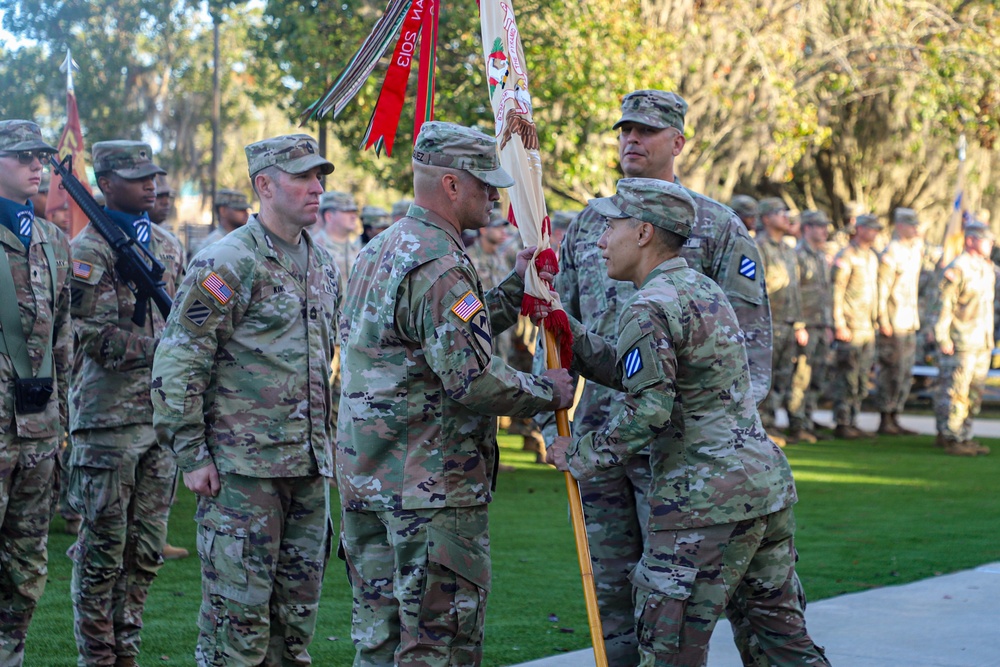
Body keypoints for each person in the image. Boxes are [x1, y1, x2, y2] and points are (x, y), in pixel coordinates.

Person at [545, 178, 829, 667]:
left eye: (611, 226)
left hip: (702, 501)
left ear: (643, 233)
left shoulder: (648, 305)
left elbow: (648, 411)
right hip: (761, 489)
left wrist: (581, 454)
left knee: (668, 648)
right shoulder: (701, 290)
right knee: (781, 645)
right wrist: (566, 330)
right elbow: (646, 373)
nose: (599, 240)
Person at [532, 89, 773, 665]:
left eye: (645, 132)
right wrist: (549, 416)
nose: (631, 141)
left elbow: (749, 342)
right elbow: (558, 329)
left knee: (676, 602)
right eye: (624, 131)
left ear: (677, 143)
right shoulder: (593, 222)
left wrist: (730, 431)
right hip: (601, 440)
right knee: (610, 593)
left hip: (680, 452)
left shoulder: (717, 227)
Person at [337, 121, 574, 667]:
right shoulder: (442, 264)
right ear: (450, 185)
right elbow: (470, 379)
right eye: (484, 184)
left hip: (371, 479)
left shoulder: (389, 247)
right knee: (437, 646)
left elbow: (437, 338)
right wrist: (547, 390)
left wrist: (515, 286)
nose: (494, 195)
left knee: (378, 642)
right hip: (429, 487)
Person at [151, 133, 339, 664]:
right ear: (264, 185)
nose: (316, 187)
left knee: (294, 627)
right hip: (241, 474)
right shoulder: (228, 263)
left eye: (319, 176)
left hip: (306, 471)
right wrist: (191, 453)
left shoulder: (322, 266)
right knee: (238, 628)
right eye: (302, 176)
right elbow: (179, 360)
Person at [67, 140, 186, 667]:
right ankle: (98, 657)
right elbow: (90, 337)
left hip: (159, 421)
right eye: (135, 176)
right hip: (108, 421)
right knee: (101, 554)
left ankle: (127, 652)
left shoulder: (168, 244)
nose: (150, 185)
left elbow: (185, 318)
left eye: (152, 175)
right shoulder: (87, 251)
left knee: (143, 554)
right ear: (105, 184)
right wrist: (168, 351)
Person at [0, 120, 71, 665]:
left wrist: (62, 418)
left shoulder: (50, 239)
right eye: (23, 155)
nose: (37, 165)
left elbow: (63, 336)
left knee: (26, 565)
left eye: (41, 156)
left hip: (40, 431)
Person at [933, 222, 995, 456]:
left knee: (974, 393)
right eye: (984, 239)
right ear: (970, 240)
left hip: (982, 341)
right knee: (956, 390)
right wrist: (943, 336)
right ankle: (951, 437)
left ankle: (965, 436)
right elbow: (943, 305)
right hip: (961, 340)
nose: (990, 244)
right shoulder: (958, 268)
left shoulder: (986, 268)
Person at [756, 197, 809, 443]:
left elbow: (795, 289)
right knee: (766, 376)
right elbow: (754, 289)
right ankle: (763, 427)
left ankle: (784, 424)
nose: (786, 217)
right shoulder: (759, 247)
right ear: (767, 218)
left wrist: (799, 323)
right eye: (780, 213)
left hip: (788, 323)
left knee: (786, 377)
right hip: (768, 323)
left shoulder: (789, 250)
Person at [830, 213, 882, 439]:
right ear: (859, 229)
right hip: (850, 326)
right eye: (870, 228)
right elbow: (836, 292)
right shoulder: (846, 256)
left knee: (861, 378)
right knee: (847, 376)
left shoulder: (871, 256)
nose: (874, 233)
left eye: (876, 229)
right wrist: (839, 323)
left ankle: (852, 419)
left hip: (867, 327)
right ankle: (842, 421)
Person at [875, 207, 923, 435]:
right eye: (912, 225)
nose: (916, 229)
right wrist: (882, 319)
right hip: (893, 321)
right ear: (900, 226)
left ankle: (896, 415)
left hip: (908, 320)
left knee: (904, 372)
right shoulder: (891, 252)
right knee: (890, 371)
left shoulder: (914, 250)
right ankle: (885, 417)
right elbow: (882, 290)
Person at [790, 210, 834, 436]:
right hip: (806, 325)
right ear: (807, 228)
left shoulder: (820, 256)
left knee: (816, 376)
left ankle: (808, 419)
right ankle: (797, 424)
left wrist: (828, 325)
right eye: (819, 226)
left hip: (820, 324)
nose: (824, 231)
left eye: (825, 226)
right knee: (801, 376)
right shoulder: (798, 255)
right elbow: (794, 292)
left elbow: (825, 294)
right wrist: (799, 325)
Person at [313, 190, 361, 291]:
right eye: (347, 211)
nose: (354, 216)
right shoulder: (314, 249)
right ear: (329, 216)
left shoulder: (358, 250)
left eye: (354, 212)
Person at [190, 188, 251, 255]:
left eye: (246, 209)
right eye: (239, 209)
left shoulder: (243, 241)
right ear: (223, 211)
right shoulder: (213, 245)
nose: (246, 213)